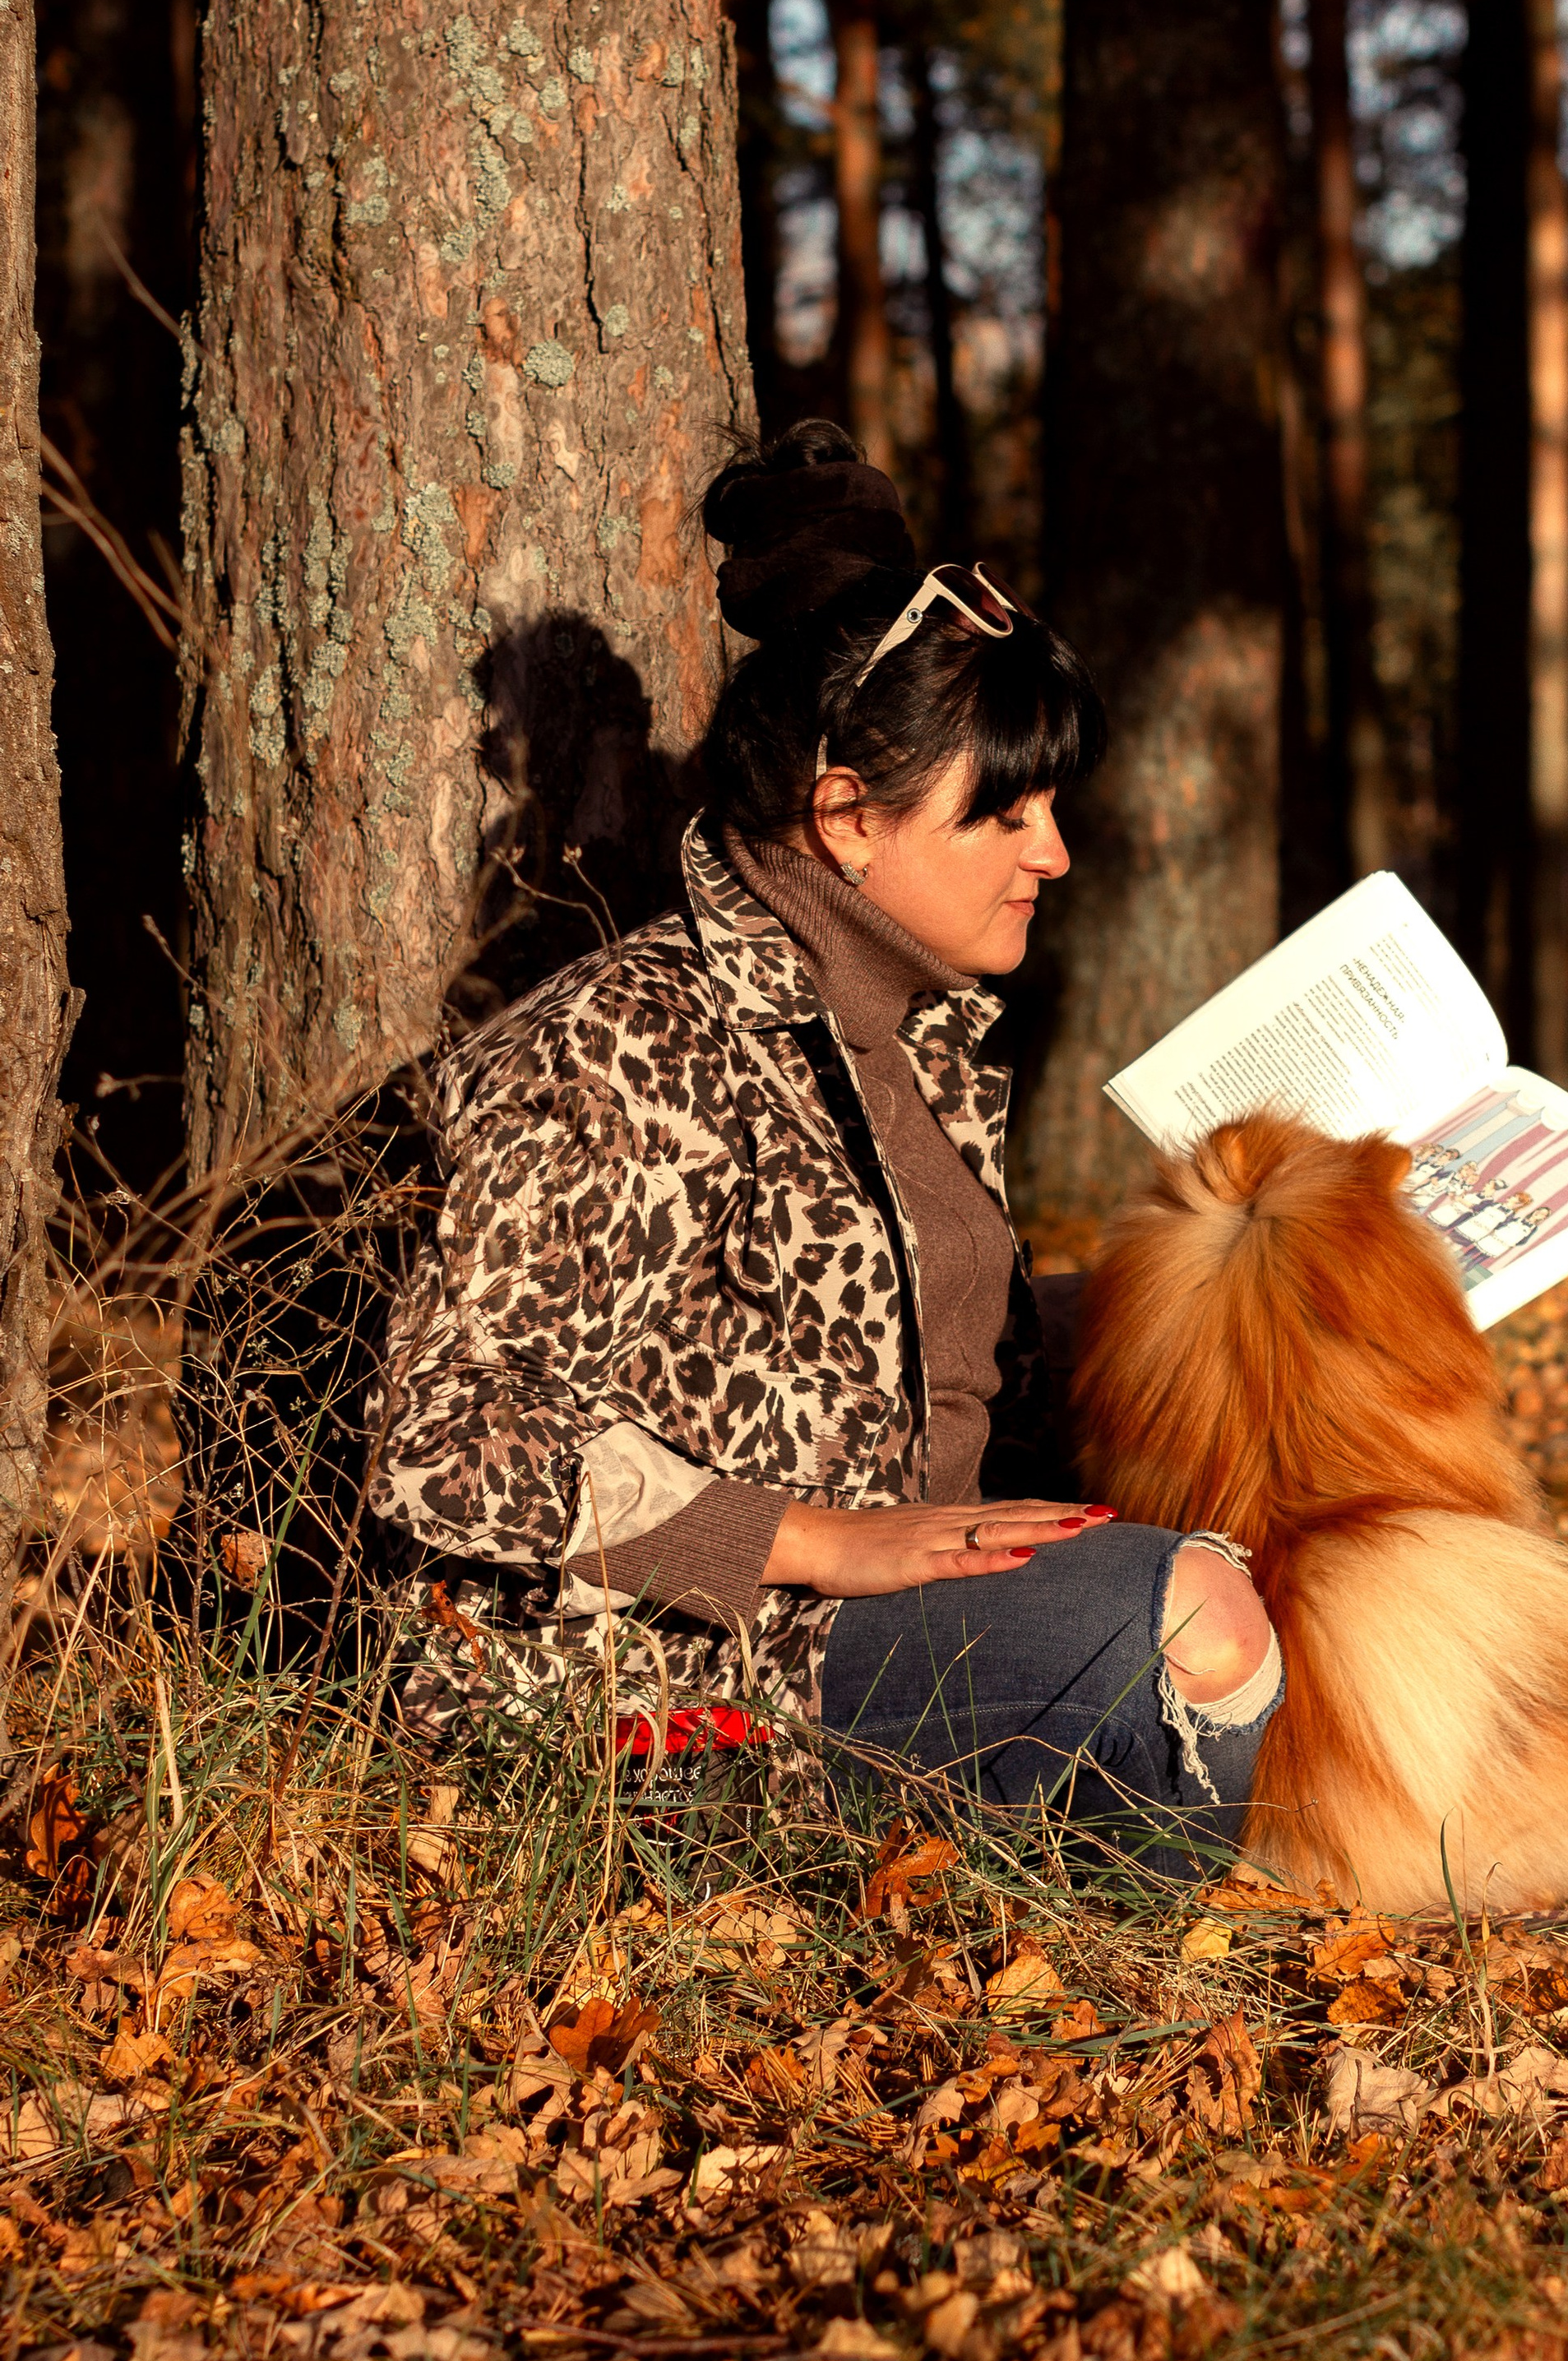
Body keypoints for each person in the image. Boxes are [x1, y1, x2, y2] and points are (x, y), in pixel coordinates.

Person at [372, 421, 1282, 1866]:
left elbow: (923, 1355)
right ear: (847, 816)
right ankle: (1121, 1939)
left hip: (899, 1610)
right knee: (1204, 1624)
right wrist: (804, 1540)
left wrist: (1239, 1301)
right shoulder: (622, 1043)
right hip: (678, 1678)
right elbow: (449, 1424)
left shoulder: (916, 1032)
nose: (1053, 853)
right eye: (1006, 812)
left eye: (1053, 805)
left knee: (1341, 1561)